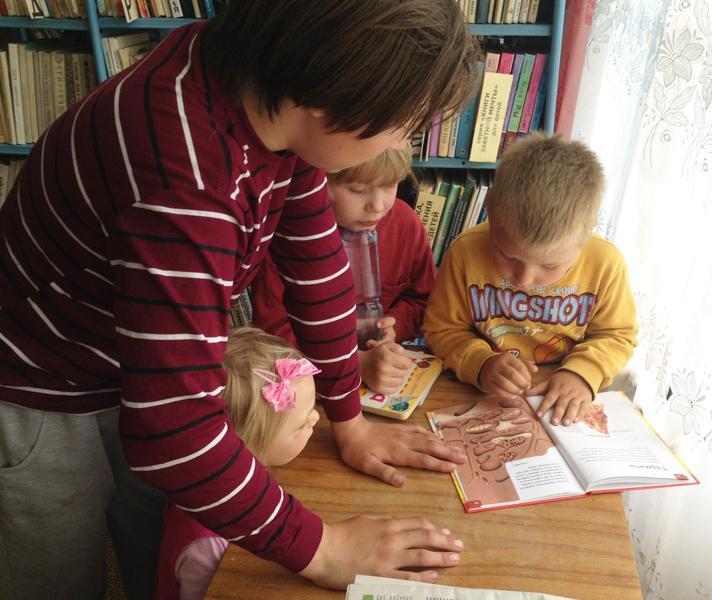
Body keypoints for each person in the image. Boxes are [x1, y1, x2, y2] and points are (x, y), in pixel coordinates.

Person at [0, 1, 479, 597]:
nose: (403, 144)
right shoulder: (185, 175)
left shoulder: (270, 100)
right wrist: (323, 547)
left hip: (140, 361)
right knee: (57, 575)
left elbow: (318, 271)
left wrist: (349, 419)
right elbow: (175, 432)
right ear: (333, 94)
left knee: (161, 551)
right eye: (402, 125)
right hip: (40, 386)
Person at [423, 134, 638, 427]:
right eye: (506, 255)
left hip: (563, 399)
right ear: (490, 211)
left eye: (549, 265)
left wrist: (581, 373)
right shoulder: (465, 252)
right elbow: (442, 329)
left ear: (585, 237)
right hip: (480, 393)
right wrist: (481, 363)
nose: (523, 279)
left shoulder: (605, 264)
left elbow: (617, 336)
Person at [251, 146, 437, 394]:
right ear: (319, 183)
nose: (377, 205)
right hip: (309, 385)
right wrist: (355, 365)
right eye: (358, 190)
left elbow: (422, 299)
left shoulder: (406, 223)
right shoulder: (287, 234)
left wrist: (395, 326)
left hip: (385, 367)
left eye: (390, 185)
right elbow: (273, 332)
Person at [155, 327, 322, 600]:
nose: (316, 418)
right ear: (245, 443)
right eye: (303, 422)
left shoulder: (203, 476)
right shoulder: (209, 546)